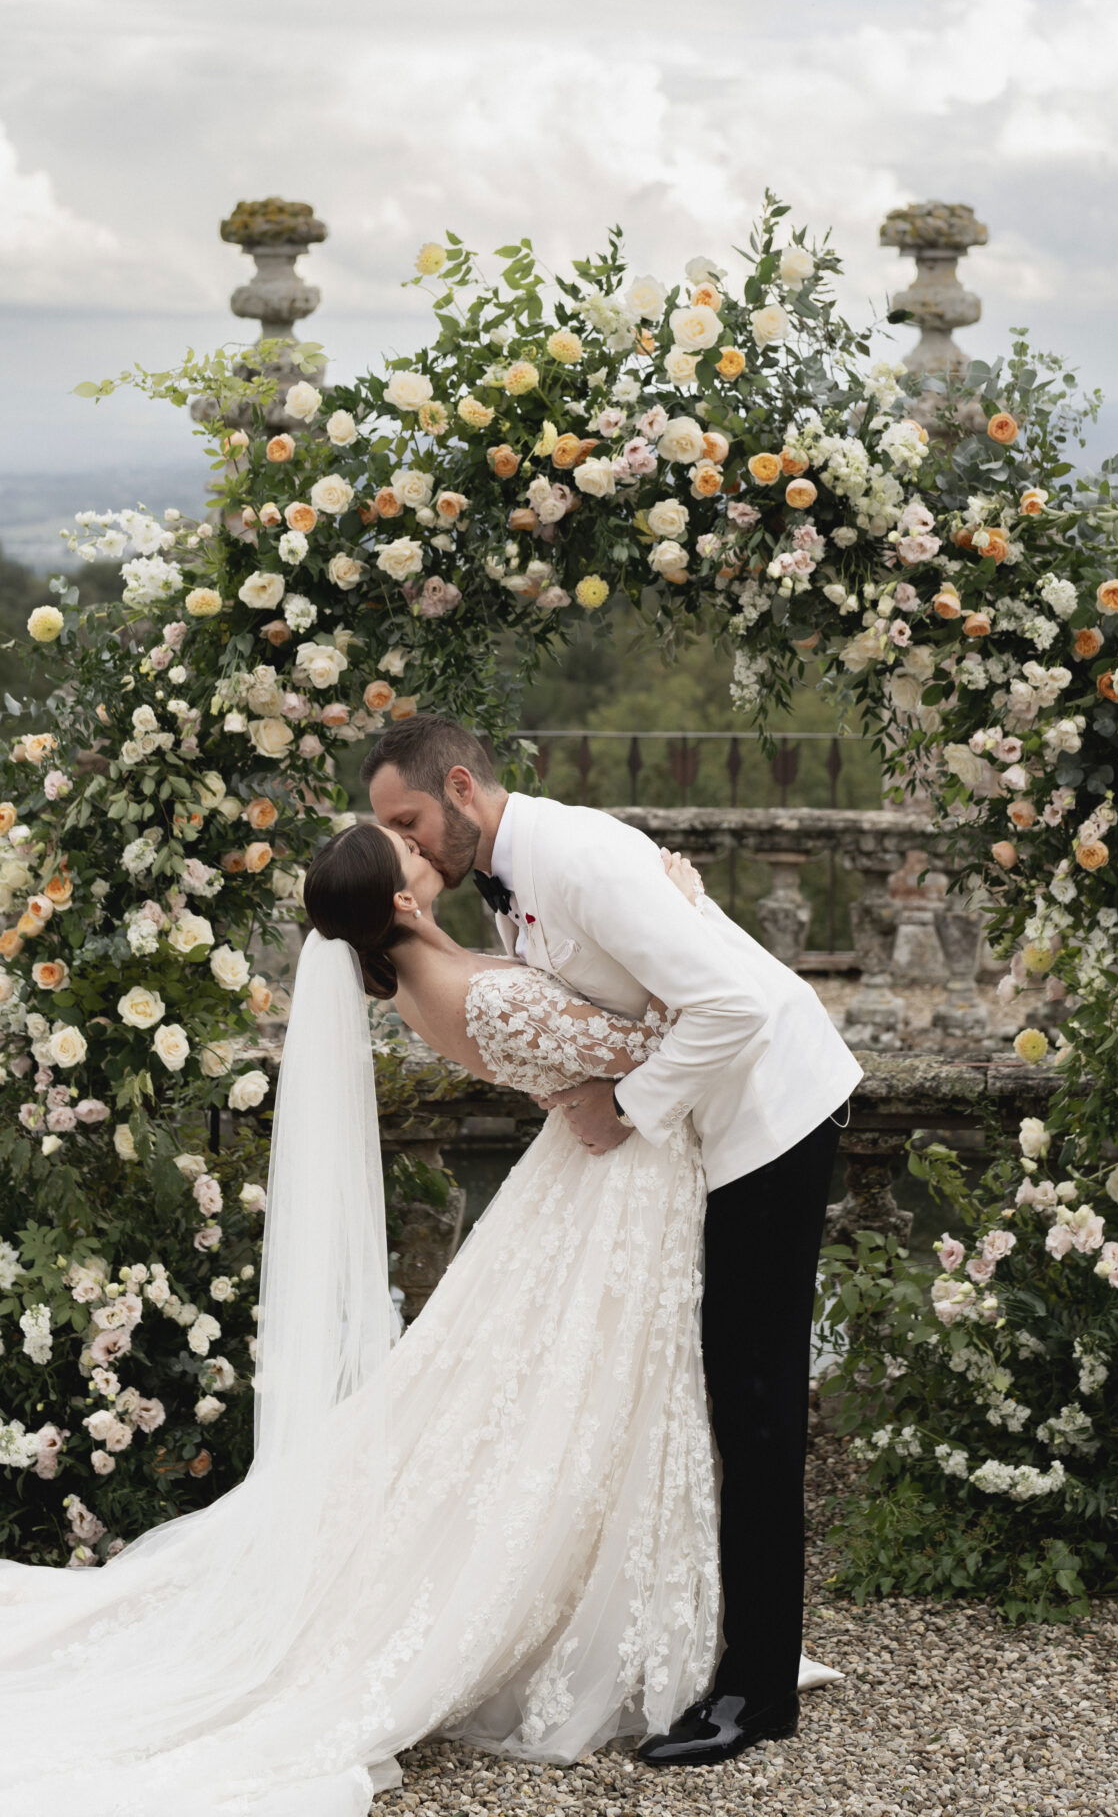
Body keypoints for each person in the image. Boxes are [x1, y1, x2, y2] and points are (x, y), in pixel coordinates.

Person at [0, 821, 840, 1816]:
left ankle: (667, 1612)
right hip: (616, 1179)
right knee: (591, 1397)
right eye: (401, 851)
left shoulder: (440, 974)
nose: (419, 851)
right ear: (398, 901)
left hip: (608, 1176)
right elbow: (654, 1036)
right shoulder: (463, 992)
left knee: (592, 1399)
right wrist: (684, 906)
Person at [363, 712, 863, 1768]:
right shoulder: (511, 877)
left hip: (769, 1115)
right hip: (707, 1120)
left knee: (758, 1401)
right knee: (728, 1389)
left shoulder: (578, 857)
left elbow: (730, 1004)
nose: (406, 844)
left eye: (408, 819)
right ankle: (719, 1651)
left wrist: (626, 1105)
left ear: (459, 787)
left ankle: (756, 1691)